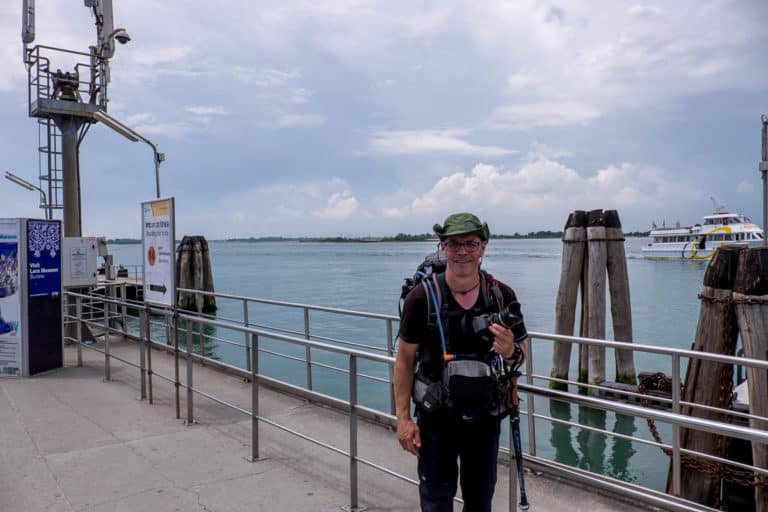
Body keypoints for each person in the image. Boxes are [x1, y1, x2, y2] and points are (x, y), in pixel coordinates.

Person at [394, 212, 528, 512]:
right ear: (443, 248)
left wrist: (509, 351)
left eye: (471, 244)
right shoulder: (421, 299)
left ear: (483, 247)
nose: (462, 251)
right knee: (435, 502)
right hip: (435, 420)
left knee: (480, 502)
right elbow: (403, 362)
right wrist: (403, 420)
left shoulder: (501, 296)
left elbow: (520, 355)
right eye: (454, 244)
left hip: (485, 420)